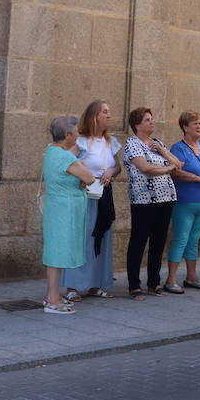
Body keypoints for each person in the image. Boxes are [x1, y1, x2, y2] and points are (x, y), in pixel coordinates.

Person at [64, 99, 122, 301]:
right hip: (85, 195)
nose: (109, 115)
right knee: (82, 238)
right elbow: (68, 162)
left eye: (109, 111)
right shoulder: (81, 141)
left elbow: (118, 166)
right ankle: (73, 284)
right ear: (94, 116)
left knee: (103, 237)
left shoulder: (110, 142)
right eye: (104, 111)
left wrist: (111, 171)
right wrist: (83, 175)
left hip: (104, 194)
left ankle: (96, 283)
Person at [122, 107, 182, 298]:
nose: (152, 122)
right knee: (139, 241)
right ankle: (134, 285)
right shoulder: (132, 143)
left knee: (159, 241)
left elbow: (178, 164)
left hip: (166, 198)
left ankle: (154, 283)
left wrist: (163, 151)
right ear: (137, 124)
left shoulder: (157, 143)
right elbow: (144, 167)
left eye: (152, 119)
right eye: (147, 120)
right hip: (144, 199)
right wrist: (167, 169)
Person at [42, 115, 97, 314]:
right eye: (76, 132)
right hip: (65, 209)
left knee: (55, 251)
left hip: (56, 207)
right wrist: (82, 178)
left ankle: (53, 296)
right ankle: (52, 299)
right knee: (58, 252)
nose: (78, 135)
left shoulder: (50, 151)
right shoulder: (66, 157)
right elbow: (89, 177)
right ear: (67, 135)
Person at [166, 110, 200, 293]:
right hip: (185, 202)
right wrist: (199, 179)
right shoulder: (178, 148)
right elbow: (175, 171)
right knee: (181, 239)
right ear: (185, 127)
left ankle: (191, 276)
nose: (199, 126)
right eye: (195, 123)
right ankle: (171, 280)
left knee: (194, 240)